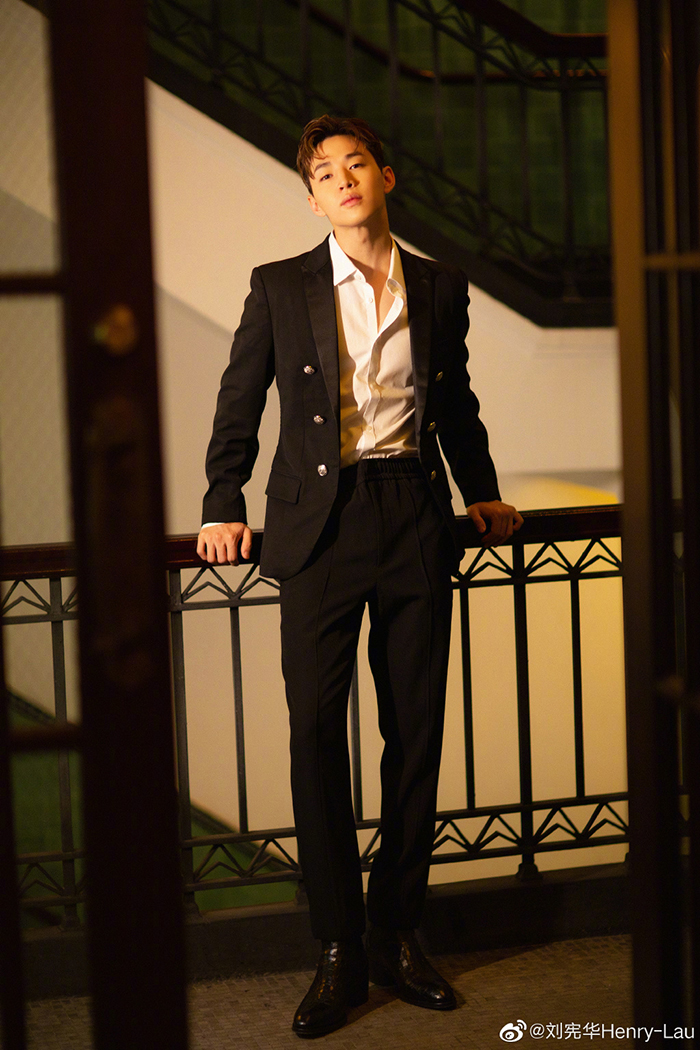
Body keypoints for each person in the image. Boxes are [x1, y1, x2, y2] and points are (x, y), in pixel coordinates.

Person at [197, 114, 523, 1038]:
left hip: (413, 513)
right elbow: (239, 399)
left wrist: (483, 491)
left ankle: (398, 932)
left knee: (414, 734)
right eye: (323, 173)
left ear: (386, 177)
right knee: (313, 735)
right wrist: (222, 502)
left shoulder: (439, 285)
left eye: (355, 164)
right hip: (318, 525)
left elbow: (453, 399)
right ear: (312, 199)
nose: (341, 180)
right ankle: (338, 945)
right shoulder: (280, 284)